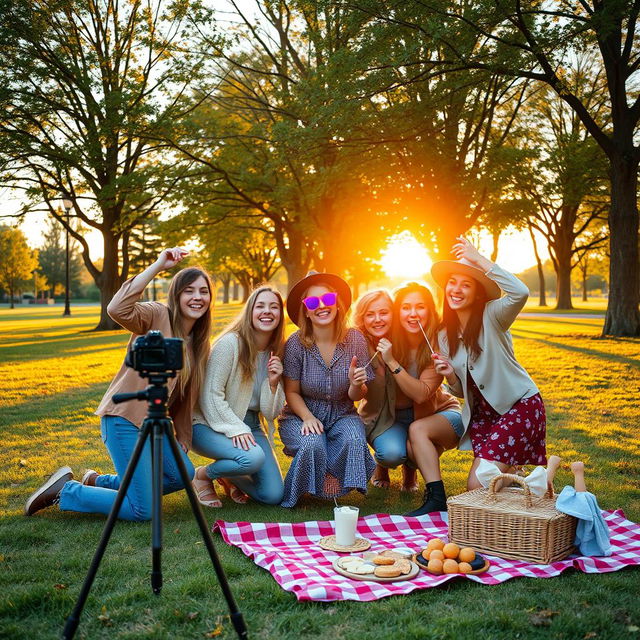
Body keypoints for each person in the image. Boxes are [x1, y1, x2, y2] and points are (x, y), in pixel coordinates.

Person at [25, 248, 212, 521]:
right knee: (143, 510)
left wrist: (182, 437)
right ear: (176, 294)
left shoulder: (197, 342)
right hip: (124, 420)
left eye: (203, 291)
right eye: (189, 291)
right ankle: (66, 491)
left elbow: (184, 397)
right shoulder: (157, 315)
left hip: (158, 428)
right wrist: (158, 266)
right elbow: (116, 308)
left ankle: (99, 482)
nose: (197, 297)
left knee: (181, 475)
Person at [430, 236, 547, 492]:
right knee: (483, 487)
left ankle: (530, 483)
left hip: (519, 407)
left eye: (466, 285)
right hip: (484, 419)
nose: (456, 290)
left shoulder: (493, 315)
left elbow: (521, 292)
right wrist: (450, 376)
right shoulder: (443, 334)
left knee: (478, 485)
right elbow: (462, 390)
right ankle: (526, 484)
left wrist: (479, 259)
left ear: (478, 291)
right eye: (452, 283)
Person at [278, 271, 375, 507]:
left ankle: (328, 478)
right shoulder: (295, 343)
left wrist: (355, 384)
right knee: (312, 443)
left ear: (337, 303)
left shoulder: (355, 339)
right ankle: (304, 489)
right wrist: (308, 417)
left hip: (342, 412)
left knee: (353, 438)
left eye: (328, 299)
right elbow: (291, 392)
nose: (322, 306)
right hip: (302, 413)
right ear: (306, 310)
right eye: (313, 302)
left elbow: (358, 395)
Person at [371, 282, 463, 515]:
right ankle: (382, 467)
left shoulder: (437, 343)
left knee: (418, 433)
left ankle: (434, 495)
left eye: (420, 307)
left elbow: (421, 394)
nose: (413, 314)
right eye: (406, 307)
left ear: (430, 311)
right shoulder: (388, 338)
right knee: (393, 451)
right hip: (395, 417)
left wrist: (392, 362)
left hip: (438, 413)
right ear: (397, 312)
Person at [190, 285, 286, 507]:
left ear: (280, 314)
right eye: (260, 306)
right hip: (207, 424)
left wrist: (273, 383)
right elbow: (209, 396)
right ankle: (203, 475)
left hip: (251, 425)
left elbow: (271, 413)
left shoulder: (277, 350)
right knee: (252, 458)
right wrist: (237, 429)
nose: (267, 311)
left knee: (273, 495)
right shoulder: (230, 344)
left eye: (274, 307)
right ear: (250, 311)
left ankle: (230, 476)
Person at [354, 289, 421, 492]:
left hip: (414, 412)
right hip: (380, 416)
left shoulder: (406, 338)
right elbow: (357, 394)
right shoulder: (358, 344)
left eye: (383, 313)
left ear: (393, 314)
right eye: (370, 314)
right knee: (391, 453)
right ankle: (381, 466)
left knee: (419, 443)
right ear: (362, 318)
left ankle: (411, 471)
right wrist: (357, 383)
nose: (377, 320)